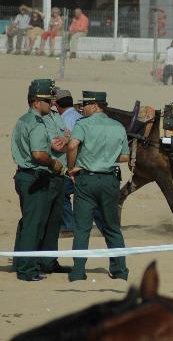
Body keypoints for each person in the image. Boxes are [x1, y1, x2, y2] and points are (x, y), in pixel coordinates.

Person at [66, 90, 130, 282]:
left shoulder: (83, 124)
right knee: (112, 227)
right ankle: (119, 270)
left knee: (82, 228)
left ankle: (78, 272)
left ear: (94, 106)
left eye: (84, 105)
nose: (82, 109)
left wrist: (71, 168)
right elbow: (125, 157)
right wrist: (106, 158)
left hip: (87, 180)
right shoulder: (118, 126)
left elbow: (71, 146)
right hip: (110, 181)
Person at [11, 79, 67, 281]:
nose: (52, 104)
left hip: (37, 177)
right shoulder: (34, 123)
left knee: (46, 222)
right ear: (36, 102)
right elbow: (38, 154)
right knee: (33, 224)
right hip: (34, 175)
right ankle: (27, 269)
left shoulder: (28, 120)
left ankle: (45, 262)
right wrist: (53, 164)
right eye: (47, 100)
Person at [51, 88, 87, 236]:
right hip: (85, 164)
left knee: (62, 193)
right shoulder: (79, 116)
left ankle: (67, 226)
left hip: (72, 165)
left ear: (57, 105)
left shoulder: (64, 120)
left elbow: (70, 145)